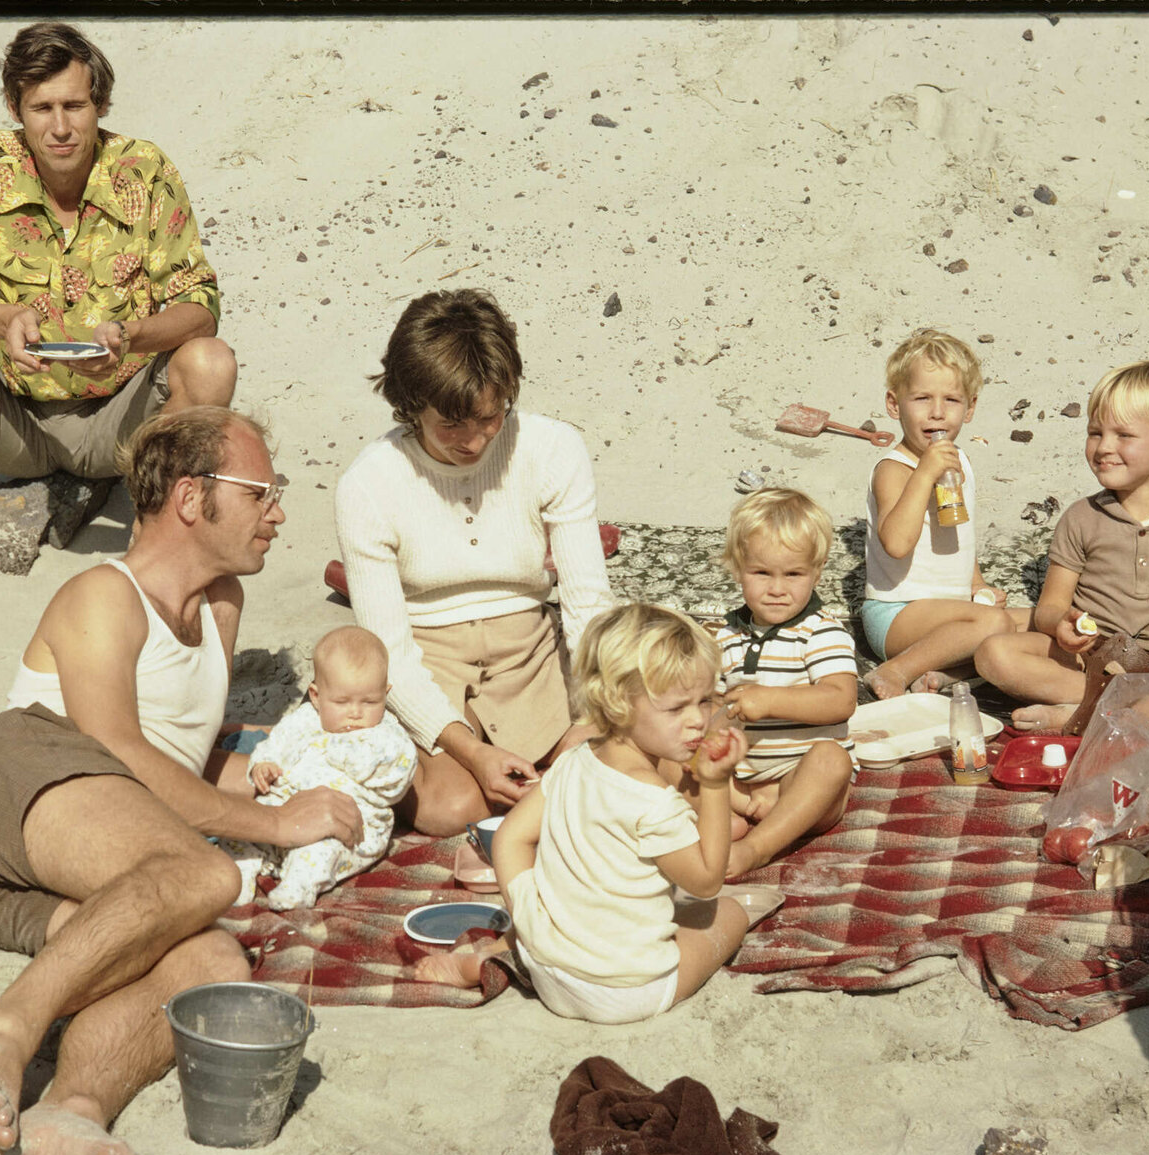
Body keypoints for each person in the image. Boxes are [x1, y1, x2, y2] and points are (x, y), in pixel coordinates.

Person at [0, 406, 362, 1155]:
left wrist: (294, 783)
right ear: (193, 499)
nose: (279, 512)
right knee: (204, 871)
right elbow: (119, 751)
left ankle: (68, 1115)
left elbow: (181, 759)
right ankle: (7, 1028)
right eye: (262, 492)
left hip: (59, 881)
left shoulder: (220, 603)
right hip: (15, 776)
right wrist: (274, 825)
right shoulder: (103, 594)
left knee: (214, 970)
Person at [0, 22, 237, 617]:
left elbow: (200, 305)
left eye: (74, 106)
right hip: (15, 423)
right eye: (42, 108)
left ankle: (150, 547)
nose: (60, 127)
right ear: (16, 107)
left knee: (210, 362)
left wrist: (135, 334)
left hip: (122, 424)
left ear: (101, 104)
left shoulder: (144, 169)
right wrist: (2, 318)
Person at [334, 289, 614, 836]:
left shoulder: (553, 448)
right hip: (426, 656)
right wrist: (466, 749)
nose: (475, 440)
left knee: (614, 757)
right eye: (452, 426)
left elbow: (586, 602)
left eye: (490, 417)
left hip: (531, 651)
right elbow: (387, 648)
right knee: (450, 808)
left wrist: (595, 710)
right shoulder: (367, 484)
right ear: (412, 407)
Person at [420, 603, 755, 1023]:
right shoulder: (654, 800)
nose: (697, 721)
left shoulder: (574, 760)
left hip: (547, 969)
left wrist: (527, 916)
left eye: (705, 700)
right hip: (626, 993)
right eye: (676, 708)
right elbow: (706, 881)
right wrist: (715, 784)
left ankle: (491, 956)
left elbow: (509, 838)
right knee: (728, 913)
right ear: (617, 704)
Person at [974, 361, 1149, 730]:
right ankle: (1121, 713)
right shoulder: (1081, 517)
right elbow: (1049, 608)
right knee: (994, 654)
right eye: (1095, 433)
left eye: (1123, 435)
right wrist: (1063, 623)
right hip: (1093, 653)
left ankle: (1079, 714)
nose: (1104, 447)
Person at [859, 329, 1031, 699]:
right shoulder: (895, 469)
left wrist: (977, 585)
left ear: (969, 409)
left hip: (952, 612)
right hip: (897, 613)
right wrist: (924, 474)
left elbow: (956, 539)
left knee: (1038, 625)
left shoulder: (959, 462)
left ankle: (946, 673)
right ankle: (895, 670)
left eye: (951, 400)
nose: (937, 412)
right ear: (894, 404)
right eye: (922, 398)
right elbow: (897, 543)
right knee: (995, 624)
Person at [218, 626, 417, 910]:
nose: (356, 713)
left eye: (370, 701)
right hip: (283, 811)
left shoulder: (387, 736)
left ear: (386, 694)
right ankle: (240, 876)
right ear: (316, 695)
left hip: (347, 825)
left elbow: (398, 777)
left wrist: (344, 752)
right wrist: (264, 764)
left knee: (321, 852)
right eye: (341, 701)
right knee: (240, 833)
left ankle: (299, 887)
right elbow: (278, 742)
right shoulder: (305, 720)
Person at [712, 488, 857, 877]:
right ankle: (721, 815)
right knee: (663, 746)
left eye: (793, 574)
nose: (777, 589)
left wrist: (771, 701)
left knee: (831, 760)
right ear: (737, 568)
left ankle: (757, 848)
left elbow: (840, 700)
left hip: (798, 783)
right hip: (737, 781)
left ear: (817, 572)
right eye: (762, 573)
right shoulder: (723, 636)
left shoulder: (821, 632)